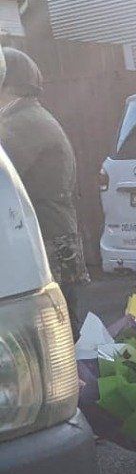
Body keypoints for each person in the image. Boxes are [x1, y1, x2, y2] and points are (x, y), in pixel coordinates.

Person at [0, 48, 82, 333]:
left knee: (54, 326)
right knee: (62, 321)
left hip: (45, 240)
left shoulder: (19, 124)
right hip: (55, 234)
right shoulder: (29, 116)